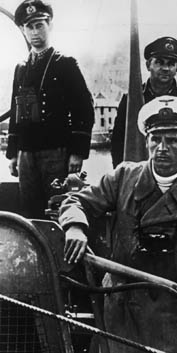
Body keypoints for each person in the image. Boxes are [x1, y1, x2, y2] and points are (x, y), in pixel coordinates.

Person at [59, 96, 177, 353]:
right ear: (147, 142)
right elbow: (76, 201)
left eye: (172, 140)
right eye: (155, 139)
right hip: (123, 304)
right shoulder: (124, 176)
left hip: (174, 305)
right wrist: (75, 227)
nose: (162, 148)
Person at [6, 0, 94, 219]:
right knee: (30, 211)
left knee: (58, 209)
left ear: (49, 26)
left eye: (39, 25)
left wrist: (77, 152)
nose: (35, 32)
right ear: (22, 30)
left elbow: (84, 108)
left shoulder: (65, 64)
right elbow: (16, 110)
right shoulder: (21, 68)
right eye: (29, 27)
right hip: (26, 154)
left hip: (56, 152)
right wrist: (13, 154)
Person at [111, 36, 177, 168]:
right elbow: (118, 143)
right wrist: (122, 177)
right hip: (142, 171)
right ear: (148, 65)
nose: (166, 68)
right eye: (159, 62)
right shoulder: (131, 101)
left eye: (171, 64)